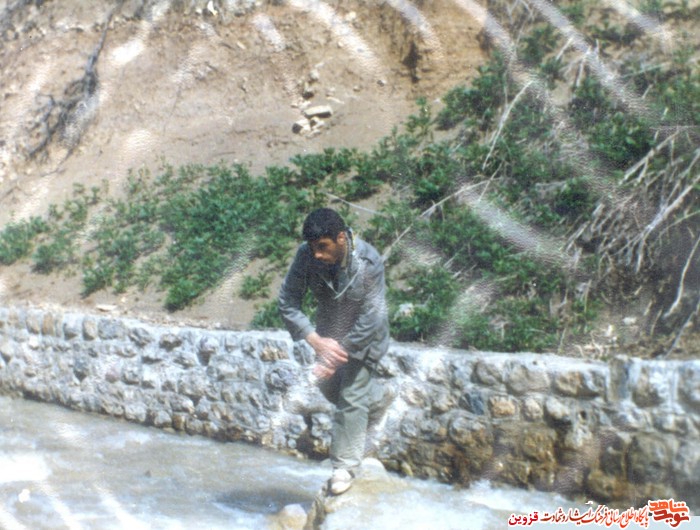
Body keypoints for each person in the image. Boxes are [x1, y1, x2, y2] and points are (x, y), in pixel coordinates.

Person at [278, 207, 390, 495]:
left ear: (341, 238)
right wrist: (315, 340)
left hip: (364, 338)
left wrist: (337, 355)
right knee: (331, 389)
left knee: (351, 396)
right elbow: (288, 301)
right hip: (328, 335)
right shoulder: (306, 255)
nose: (317, 254)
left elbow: (372, 317)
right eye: (313, 248)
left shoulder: (369, 261)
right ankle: (380, 398)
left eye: (323, 247)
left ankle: (344, 467)